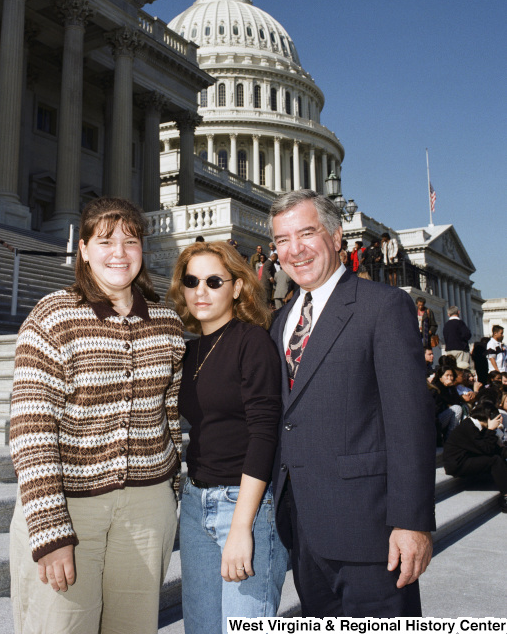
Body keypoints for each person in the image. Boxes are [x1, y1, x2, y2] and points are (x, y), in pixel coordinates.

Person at [9, 197, 185, 634]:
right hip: (70, 503)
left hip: (147, 508)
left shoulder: (166, 323)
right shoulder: (53, 316)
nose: (119, 252)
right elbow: (31, 429)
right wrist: (50, 530)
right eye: (105, 240)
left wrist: (173, 487)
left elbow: (172, 414)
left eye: (131, 240)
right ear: (83, 249)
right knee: (59, 625)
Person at [268, 189, 436, 618]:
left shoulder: (383, 306)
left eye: (307, 233)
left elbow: (410, 423)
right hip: (303, 530)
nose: (295, 250)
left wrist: (412, 521)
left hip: (370, 533)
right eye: (282, 240)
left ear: (337, 236)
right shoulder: (281, 320)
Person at [168, 241, 288, 633]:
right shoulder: (190, 350)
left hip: (244, 504)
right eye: (192, 281)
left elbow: (263, 432)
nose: (200, 291)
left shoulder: (252, 342)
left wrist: (241, 526)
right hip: (195, 501)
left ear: (237, 287)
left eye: (213, 281)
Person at [443, 402, 507, 512]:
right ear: (489, 417)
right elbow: (486, 449)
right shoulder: (468, 427)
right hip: (457, 464)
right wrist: (491, 430)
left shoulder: (476, 425)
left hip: (468, 458)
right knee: (495, 460)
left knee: (500, 453)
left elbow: (489, 447)